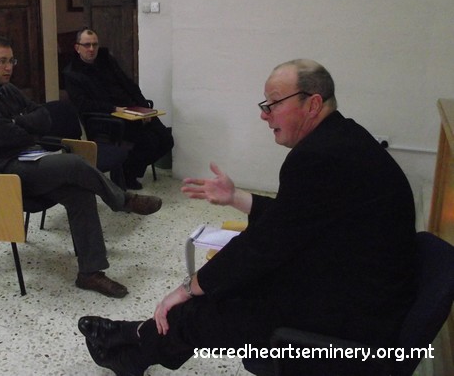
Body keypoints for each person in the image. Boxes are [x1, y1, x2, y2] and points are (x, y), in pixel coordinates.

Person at [77, 59, 416, 376]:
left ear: (313, 104)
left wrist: (188, 287)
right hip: (358, 284)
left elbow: (265, 245)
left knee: (223, 301)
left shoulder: (318, 157)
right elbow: (293, 219)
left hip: (358, 315)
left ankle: (135, 340)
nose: (264, 115)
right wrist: (236, 197)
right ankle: (137, 342)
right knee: (224, 289)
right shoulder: (341, 139)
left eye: (274, 103)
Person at [0, 35, 164, 298]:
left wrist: (18, 122)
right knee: (74, 163)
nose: (9, 67)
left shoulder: (7, 89)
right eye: (2, 61)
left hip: (28, 159)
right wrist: (23, 126)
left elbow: (44, 117)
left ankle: (90, 273)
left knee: (81, 194)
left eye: (12, 61)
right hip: (1, 172)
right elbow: (4, 136)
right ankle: (122, 200)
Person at [63, 28, 174, 190]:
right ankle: (128, 174)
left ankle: (129, 168)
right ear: (77, 47)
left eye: (95, 44)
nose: (91, 49)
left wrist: (144, 108)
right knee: (148, 141)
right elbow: (84, 105)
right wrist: (114, 108)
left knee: (166, 139)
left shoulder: (106, 59)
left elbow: (128, 84)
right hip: (107, 118)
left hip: (132, 110)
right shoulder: (72, 73)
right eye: (87, 45)